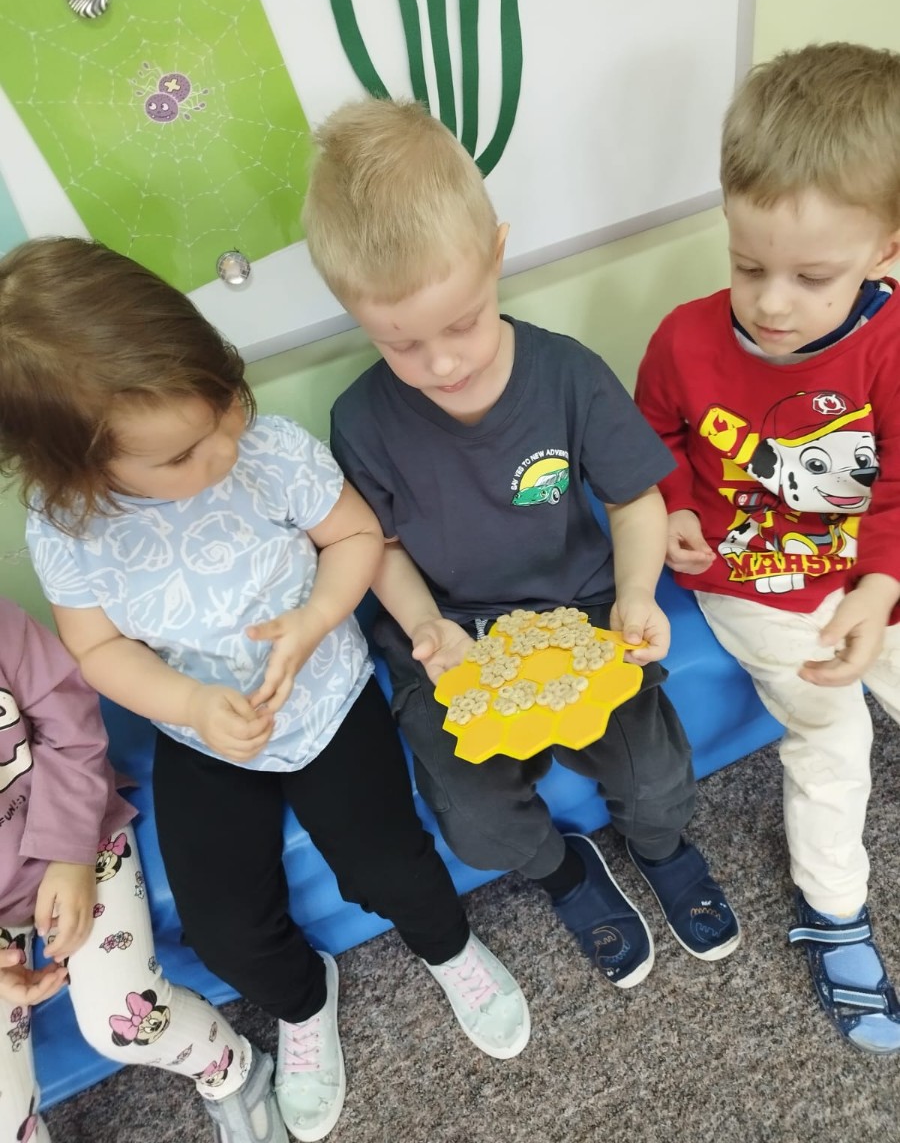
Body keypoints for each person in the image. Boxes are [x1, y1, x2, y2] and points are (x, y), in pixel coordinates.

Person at [0, 238, 530, 1143]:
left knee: (389, 862)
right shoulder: (67, 527)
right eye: (182, 454)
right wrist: (190, 705)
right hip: (198, 731)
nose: (222, 449)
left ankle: (448, 946)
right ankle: (303, 998)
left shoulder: (269, 452)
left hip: (325, 700)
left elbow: (355, 538)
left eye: (226, 406)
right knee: (223, 925)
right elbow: (96, 648)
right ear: (83, 472)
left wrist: (316, 617)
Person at [302, 97, 740, 993]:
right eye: (400, 343)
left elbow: (634, 498)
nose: (442, 364)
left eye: (461, 323)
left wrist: (636, 593)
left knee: (658, 779)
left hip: (581, 608)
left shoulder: (566, 373)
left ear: (496, 254)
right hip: (452, 633)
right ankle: (565, 872)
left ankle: (661, 848)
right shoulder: (362, 419)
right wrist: (424, 626)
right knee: (477, 823)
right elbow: (377, 544)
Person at [634, 41, 900, 1053]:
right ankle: (833, 912)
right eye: (747, 265)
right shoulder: (685, 339)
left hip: (870, 566)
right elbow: (651, 433)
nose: (771, 302)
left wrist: (878, 587)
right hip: (757, 581)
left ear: (885, 251)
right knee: (833, 736)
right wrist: (673, 504)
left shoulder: (890, 346)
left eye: (810, 276)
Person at [0, 595, 289, 1143]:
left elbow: (70, 719)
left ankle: (232, 1070)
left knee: (124, 1022)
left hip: (77, 835)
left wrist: (70, 852)